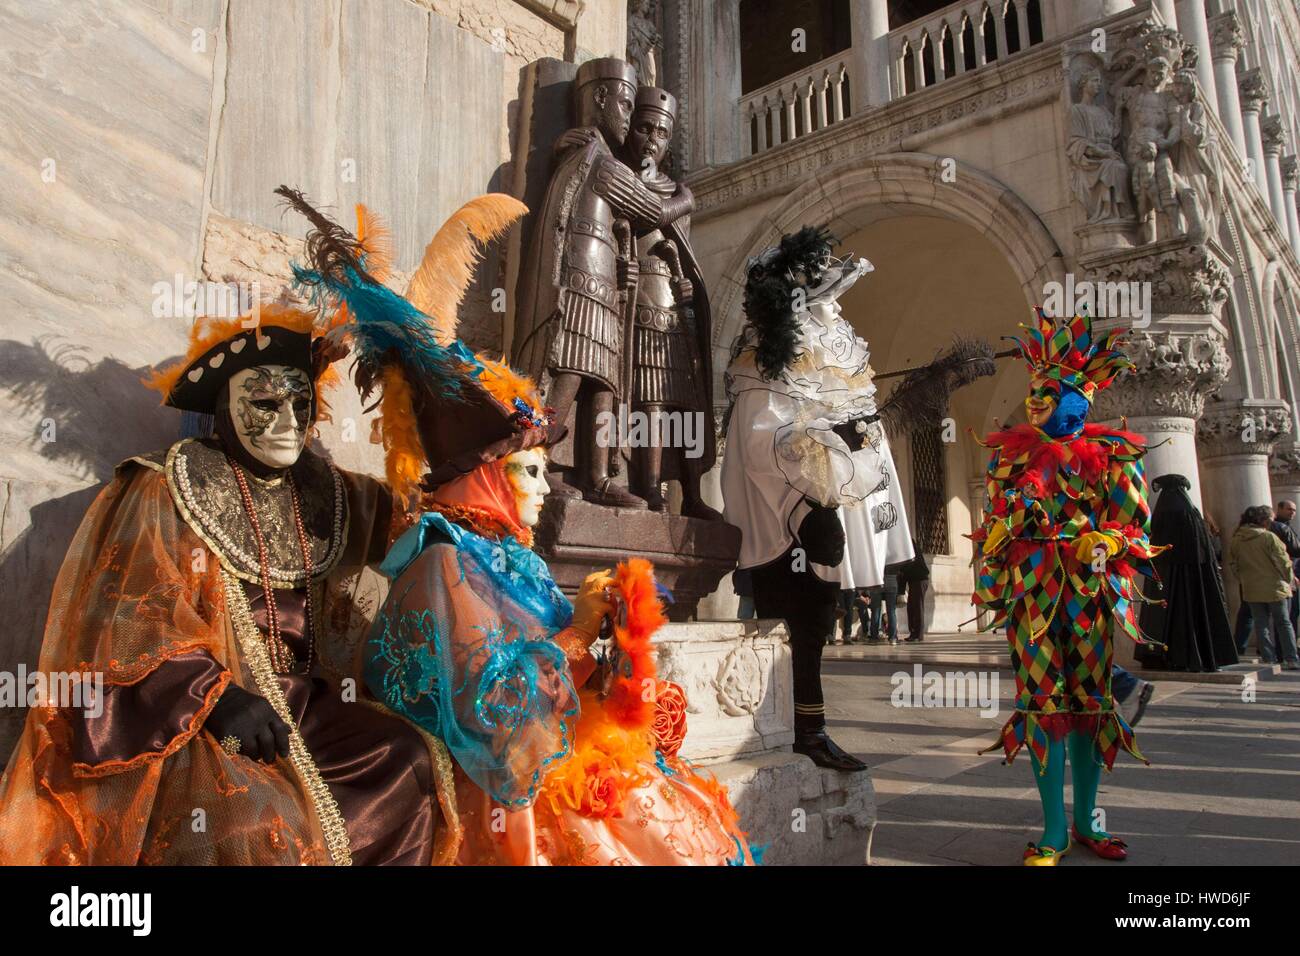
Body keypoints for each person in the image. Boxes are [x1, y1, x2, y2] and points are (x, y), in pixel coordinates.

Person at [288, 192, 754, 865]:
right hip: (495, 788)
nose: (541, 488)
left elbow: (561, 679)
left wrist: (615, 650)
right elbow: (488, 710)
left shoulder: (514, 559)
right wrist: (576, 633)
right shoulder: (444, 561)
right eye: (528, 472)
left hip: (544, 755)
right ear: (482, 476)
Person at [0, 301, 452, 865]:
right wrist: (217, 697)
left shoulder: (333, 494)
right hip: (207, 718)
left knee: (406, 756)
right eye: (265, 403)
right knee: (258, 820)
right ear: (224, 410)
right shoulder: (168, 487)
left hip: (308, 707)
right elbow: (128, 620)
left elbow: (422, 524)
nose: (288, 421)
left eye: (300, 403)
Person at [972, 311, 1162, 865]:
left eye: (1048, 392)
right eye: (1033, 391)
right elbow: (990, 533)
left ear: (1076, 398)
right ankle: (1053, 830)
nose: (1035, 401)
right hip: (1032, 598)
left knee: (1091, 706)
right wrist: (1009, 521)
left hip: (1089, 597)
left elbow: (1137, 532)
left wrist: (1103, 541)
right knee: (1041, 707)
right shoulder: (1009, 458)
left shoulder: (1114, 458)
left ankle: (1086, 822)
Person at [722, 227, 913, 772]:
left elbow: (828, 427)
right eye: (818, 297)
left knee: (815, 624)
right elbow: (764, 443)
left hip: (821, 515)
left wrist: (854, 440)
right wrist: (814, 489)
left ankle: (803, 726)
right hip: (784, 521)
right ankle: (803, 729)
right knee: (796, 625)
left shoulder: (823, 357)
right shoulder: (764, 362)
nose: (831, 311)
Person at [1136, 473, 1237, 672]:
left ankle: (1164, 657)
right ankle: (1199, 657)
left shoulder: (1164, 512)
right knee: (1194, 612)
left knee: (1162, 617)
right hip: (1194, 575)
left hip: (1165, 574)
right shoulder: (1192, 512)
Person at [1229, 505, 1300, 669]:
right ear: (1265, 521)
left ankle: (1269, 659)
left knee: (1261, 625)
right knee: (1284, 623)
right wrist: (1289, 580)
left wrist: (1243, 579)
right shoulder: (1269, 538)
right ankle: (1291, 659)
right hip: (1275, 586)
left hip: (1251, 587)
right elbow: (1283, 562)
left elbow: (1234, 564)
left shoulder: (1237, 539)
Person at [1271, 499, 1300, 630]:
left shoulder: (1286, 526)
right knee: (1289, 613)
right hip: (1287, 573)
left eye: (1294, 510)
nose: (1292, 512)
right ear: (1279, 508)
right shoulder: (1280, 527)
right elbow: (1294, 550)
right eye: (1289, 509)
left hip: (1290, 571)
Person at [897, 536, 930, 642]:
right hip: (915, 580)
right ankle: (914, 633)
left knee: (917, 607)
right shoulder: (907, 549)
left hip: (919, 580)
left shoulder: (909, 551)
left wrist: (901, 591)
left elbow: (904, 571)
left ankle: (918, 635)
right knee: (912, 607)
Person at [867, 573, 900, 644]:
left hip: (876, 581)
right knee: (891, 611)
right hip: (891, 581)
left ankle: (874, 637)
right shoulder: (892, 561)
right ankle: (893, 638)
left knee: (875, 611)